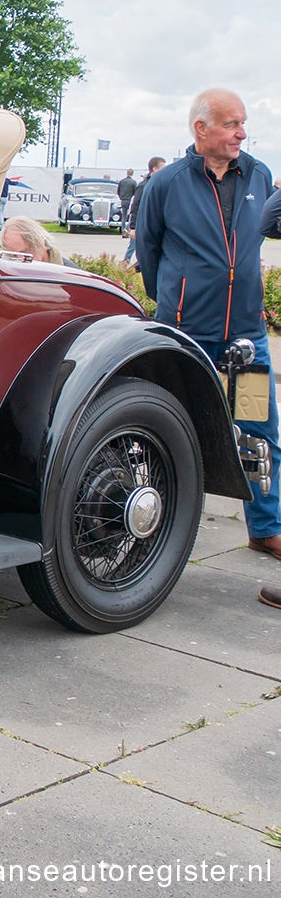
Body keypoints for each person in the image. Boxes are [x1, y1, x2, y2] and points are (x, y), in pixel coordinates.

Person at [136, 88, 281, 606]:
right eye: (231, 124)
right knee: (175, 431)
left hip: (245, 334)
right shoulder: (166, 183)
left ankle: (266, 528)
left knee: (259, 429)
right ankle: (153, 528)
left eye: (243, 124)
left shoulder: (260, 175)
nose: (241, 133)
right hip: (185, 336)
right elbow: (148, 249)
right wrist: (173, 303)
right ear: (201, 129)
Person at [124, 156, 165, 264]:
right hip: (141, 223)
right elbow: (135, 205)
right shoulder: (144, 185)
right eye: (162, 167)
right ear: (155, 169)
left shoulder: (159, 184)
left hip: (153, 223)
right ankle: (126, 262)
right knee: (135, 246)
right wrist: (133, 227)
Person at [0, 215, 73, 266]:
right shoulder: (8, 279)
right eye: (14, 255)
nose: (21, 259)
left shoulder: (71, 277)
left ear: (40, 243)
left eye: (26, 252)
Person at [116, 167, 138, 232]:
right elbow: (135, 192)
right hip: (130, 200)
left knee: (124, 216)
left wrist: (121, 197)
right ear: (132, 174)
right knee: (130, 216)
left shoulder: (121, 181)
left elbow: (118, 191)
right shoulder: (133, 182)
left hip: (123, 200)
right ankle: (128, 229)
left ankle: (123, 229)